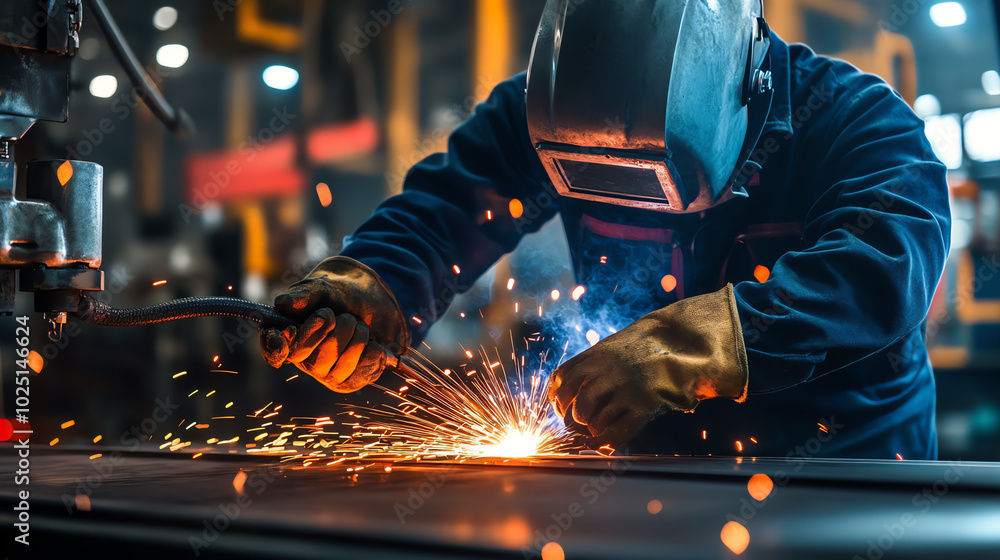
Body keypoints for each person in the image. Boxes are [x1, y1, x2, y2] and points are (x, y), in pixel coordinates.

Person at [260, 0, 950, 460]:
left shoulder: (857, 123)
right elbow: (446, 211)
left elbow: (883, 264)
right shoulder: (544, 107)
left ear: (741, 84)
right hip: (657, 481)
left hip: (846, 473)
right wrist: (375, 280)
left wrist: (695, 346)